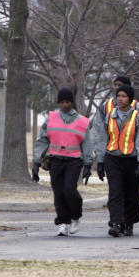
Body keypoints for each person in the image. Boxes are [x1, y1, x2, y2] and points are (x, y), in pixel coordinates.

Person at [32, 88, 93, 236]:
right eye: (62, 102)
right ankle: (63, 223)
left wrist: (87, 164)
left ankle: (75, 216)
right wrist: (36, 161)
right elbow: (42, 140)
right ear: (59, 103)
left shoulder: (82, 121)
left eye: (67, 102)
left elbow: (87, 144)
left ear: (72, 103)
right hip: (56, 160)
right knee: (58, 192)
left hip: (74, 161)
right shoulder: (51, 119)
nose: (65, 105)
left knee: (69, 190)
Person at [92, 85, 139, 237]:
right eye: (118, 96)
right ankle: (116, 223)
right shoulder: (110, 115)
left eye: (124, 96)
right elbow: (103, 137)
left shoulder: (138, 117)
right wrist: (100, 160)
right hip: (113, 158)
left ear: (130, 99)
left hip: (131, 160)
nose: (120, 99)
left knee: (132, 193)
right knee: (115, 192)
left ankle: (129, 222)